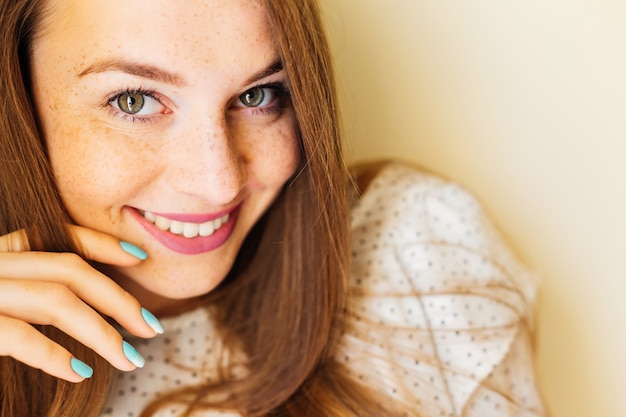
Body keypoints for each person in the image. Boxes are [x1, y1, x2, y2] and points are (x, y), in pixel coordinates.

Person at [0, 0, 546, 416]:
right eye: (134, 101)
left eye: (258, 96)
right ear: (18, 102)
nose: (219, 183)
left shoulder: (410, 258)